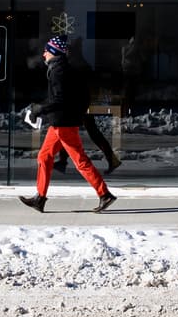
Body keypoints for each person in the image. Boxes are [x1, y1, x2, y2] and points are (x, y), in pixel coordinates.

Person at [19, 35, 116, 213]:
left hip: (63, 124)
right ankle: (40, 198)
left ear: (54, 53)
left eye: (47, 51)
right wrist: (41, 107)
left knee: (80, 161)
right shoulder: (61, 69)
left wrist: (39, 109)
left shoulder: (59, 72)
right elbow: (59, 98)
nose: (43, 54)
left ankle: (105, 194)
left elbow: (59, 100)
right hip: (60, 123)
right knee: (44, 157)